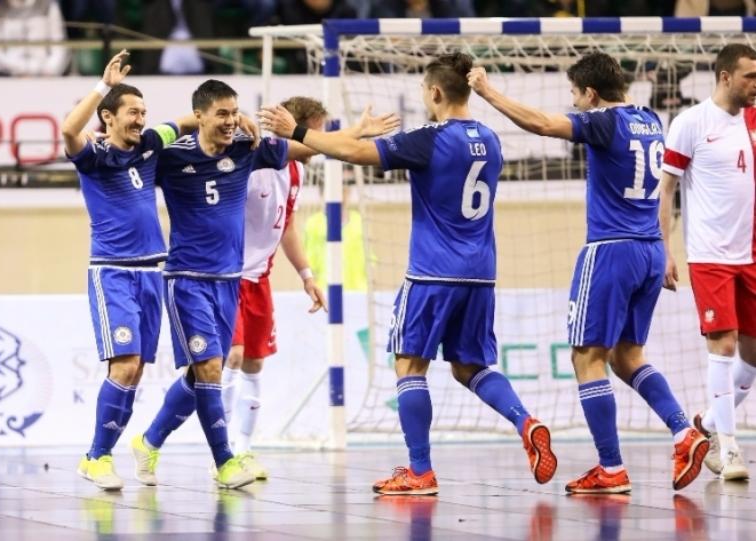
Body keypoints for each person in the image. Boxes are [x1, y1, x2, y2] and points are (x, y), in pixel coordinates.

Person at [260, 51, 558, 496]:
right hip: (481, 273)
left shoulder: (429, 138)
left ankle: (420, 471)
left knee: (408, 365)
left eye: (423, 90)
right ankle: (525, 420)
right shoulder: (491, 139)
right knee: (470, 366)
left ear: (435, 92)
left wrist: (297, 132)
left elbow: (356, 154)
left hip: (433, 272)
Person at [468, 52, 709, 494]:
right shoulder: (649, 118)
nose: (574, 103)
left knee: (587, 357)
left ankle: (611, 468)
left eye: (576, 95)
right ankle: (683, 432)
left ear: (591, 94)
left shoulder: (603, 122)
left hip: (611, 252)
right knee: (627, 356)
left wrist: (488, 92)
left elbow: (541, 124)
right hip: (651, 250)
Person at [129, 96, 399, 483]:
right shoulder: (252, 158)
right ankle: (224, 456)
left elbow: (284, 224)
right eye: (319, 131)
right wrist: (355, 133)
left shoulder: (294, 171)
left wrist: (306, 274)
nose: (321, 141)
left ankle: (220, 445)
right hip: (221, 276)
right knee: (224, 362)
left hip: (258, 279)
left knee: (245, 365)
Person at [129, 79, 312, 489]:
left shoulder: (247, 150)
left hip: (230, 281)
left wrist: (361, 136)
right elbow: (139, 145)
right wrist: (187, 124)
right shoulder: (174, 155)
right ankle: (227, 461)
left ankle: (148, 441)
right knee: (213, 367)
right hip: (187, 279)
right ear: (199, 117)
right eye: (222, 114)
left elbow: (310, 149)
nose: (231, 122)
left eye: (235, 112)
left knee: (201, 376)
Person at [63, 50, 192, 490]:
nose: (141, 119)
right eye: (132, 112)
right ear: (108, 117)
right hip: (113, 271)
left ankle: (105, 455)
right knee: (125, 364)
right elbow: (67, 129)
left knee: (135, 370)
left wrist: (237, 123)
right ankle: (95, 457)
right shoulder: (94, 155)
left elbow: (187, 122)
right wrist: (103, 83)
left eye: (143, 112)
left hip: (152, 272)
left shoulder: (152, 143)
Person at [660, 43, 756, 481]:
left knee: (752, 356)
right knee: (724, 345)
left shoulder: (754, 120)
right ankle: (730, 449)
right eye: (749, 76)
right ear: (724, 77)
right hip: (710, 255)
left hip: (750, 255)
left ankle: (707, 426)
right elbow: (666, 190)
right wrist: (665, 249)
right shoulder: (692, 123)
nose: (755, 84)